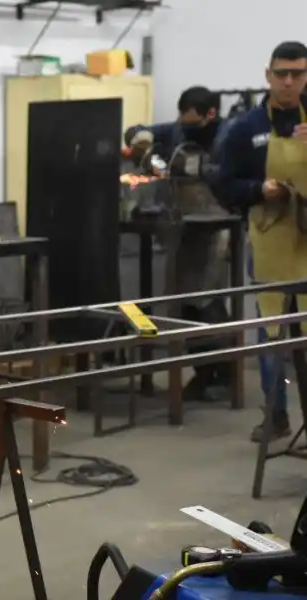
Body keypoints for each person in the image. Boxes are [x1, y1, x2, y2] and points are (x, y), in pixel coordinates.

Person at [217, 40, 307, 442]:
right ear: (268, 75)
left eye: (298, 74)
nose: (289, 82)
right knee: (273, 332)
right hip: (270, 240)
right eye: (282, 73)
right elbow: (221, 182)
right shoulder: (244, 128)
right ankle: (275, 415)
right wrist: (257, 188)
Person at [125, 86, 236, 402]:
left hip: (218, 227)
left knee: (207, 299)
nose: (181, 125)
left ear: (209, 115)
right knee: (184, 302)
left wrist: (181, 167)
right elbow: (136, 132)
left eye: (189, 121)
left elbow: (224, 173)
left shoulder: (229, 136)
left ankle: (225, 372)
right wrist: (140, 139)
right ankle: (203, 372)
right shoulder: (177, 129)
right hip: (185, 227)